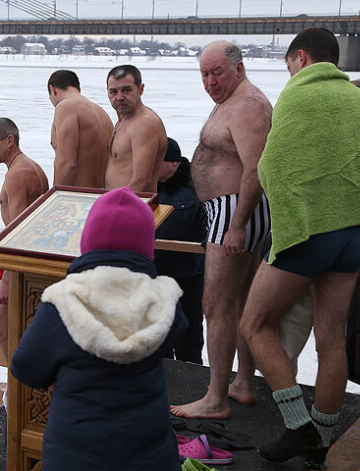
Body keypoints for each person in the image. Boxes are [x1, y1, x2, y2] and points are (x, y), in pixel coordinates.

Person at [239, 28, 360, 467]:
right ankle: (323, 441)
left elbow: (274, 163)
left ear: (301, 58)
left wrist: (291, 218)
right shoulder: (356, 99)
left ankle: (297, 426)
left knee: (255, 324)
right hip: (353, 235)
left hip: (308, 233)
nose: (289, 71)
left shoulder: (298, 94)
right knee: (331, 343)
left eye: (289, 63)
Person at [11, 186, 186, 470]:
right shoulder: (166, 302)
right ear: (147, 245)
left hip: (73, 453)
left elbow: (27, 367)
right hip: (149, 453)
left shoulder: (64, 301)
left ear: (87, 240)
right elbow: (175, 332)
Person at [170, 41, 273, 419]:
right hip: (231, 210)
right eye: (205, 74)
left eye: (218, 73)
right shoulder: (232, 100)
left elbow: (256, 167)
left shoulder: (247, 105)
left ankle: (215, 399)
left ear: (239, 69)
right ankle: (242, 384)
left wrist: (238, 225)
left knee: (215, 305)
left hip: (234, 210)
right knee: (240, 303)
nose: (211, 81)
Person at [0, 117, 49, 361]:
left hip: (24, 265)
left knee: (3, 328)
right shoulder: (28, 167)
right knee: (24, 332)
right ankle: (20, 394)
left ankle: (17, 395)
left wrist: (8, 278)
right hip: (32, 261)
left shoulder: (18, 174)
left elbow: (19, 231)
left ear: (9, 140)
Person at [155, 137, 207, 364]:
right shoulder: (147, 186)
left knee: (189, 342)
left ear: (174, 163)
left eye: (156, 160)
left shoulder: (198, 188)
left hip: (187, 278)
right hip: (154, 277)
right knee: (157, 341)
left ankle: (195, 390)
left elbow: (212, 227)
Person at [105, 64, 168, 193]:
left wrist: (118, 208)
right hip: (117, 203)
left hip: (133, 207)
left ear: (141, 89)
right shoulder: (123, 121)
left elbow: (141, 180)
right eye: (113, 92)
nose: (120, 97)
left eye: (126, 90)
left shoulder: (145, 123)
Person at [47, 69, 113, 188]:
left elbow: (66, 163)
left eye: (50, 97)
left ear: (53, 90)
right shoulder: (103, 114)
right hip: (101, 196)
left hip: (77, 198)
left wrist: (54, 198)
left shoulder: (65, 107)